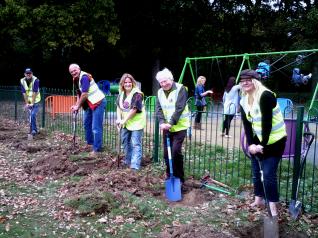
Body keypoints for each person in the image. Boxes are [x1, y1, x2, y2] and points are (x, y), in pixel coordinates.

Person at [239, 69, 287, 217]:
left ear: (255, 80)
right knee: (256, 172)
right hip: (258, 141)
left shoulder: (265, 95)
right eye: (242, 80)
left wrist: (262, 146)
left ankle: (273, 208)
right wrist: (251, 145)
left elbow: (267, 123)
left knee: (268, 174)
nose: (245, 82)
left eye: (249, 79)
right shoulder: (243, 99)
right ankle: (258, 199)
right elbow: (247, 125)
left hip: (275, 141)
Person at [156, 68, 190, 188]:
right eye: (161, 82)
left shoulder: (181, 89)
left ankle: (180, 178)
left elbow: (180, 108)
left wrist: (170, 123)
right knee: (166, 154)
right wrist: (161, 122)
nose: (164, 84)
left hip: (180, 127)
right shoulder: (160, 92)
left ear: (171, 79)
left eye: (166, 81)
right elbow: (159, 109)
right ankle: (170, 175)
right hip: (166, 128)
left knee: (175, 152)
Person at [69, 63, 106, 155]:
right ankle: (90, 144)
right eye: (71, 71)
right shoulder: (75, 79)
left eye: (75, 70)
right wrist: (76, 105)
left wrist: (78, 106)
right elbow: (79, 93)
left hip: (98, 102)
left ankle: (97, 149)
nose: (74, 72)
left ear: (79, 69)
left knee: (96, 127)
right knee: (86, 124)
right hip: (89, 104)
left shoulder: (84, 77)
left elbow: (84, 94)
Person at [116, 73, 146, 170]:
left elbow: (134, 109)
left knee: (135, 143)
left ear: (133, 83)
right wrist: (118, 119)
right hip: (126, 122)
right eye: (125, 82)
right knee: (125, 142)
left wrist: (123, 120)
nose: (128, 84)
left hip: (137, 122)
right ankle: (128, 160)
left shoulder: (137, 94)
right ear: (122, 84)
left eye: (129, 82)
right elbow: (118, 107)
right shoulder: (121, 94)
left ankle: (135, 165)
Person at [20, 68, 41, 136]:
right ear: (25, 74)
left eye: (30, 73)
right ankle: (33, 130)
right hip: (29, 101)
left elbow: (35, 92)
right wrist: (27, 103)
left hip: (36, 100)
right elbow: (24, 93)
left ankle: (34, 130)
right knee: (30, 116)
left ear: (32, 73)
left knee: (32, 115)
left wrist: (32, 103)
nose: (28, 74)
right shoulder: (22, 81)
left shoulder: (36, 80)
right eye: (27, 73)